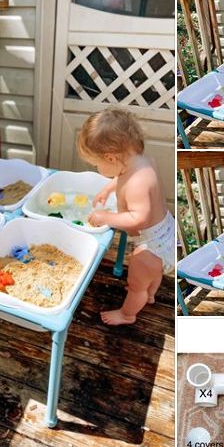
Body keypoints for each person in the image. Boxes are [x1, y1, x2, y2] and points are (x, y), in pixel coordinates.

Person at [77, 107, 175, 325]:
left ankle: (128, 314)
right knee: (152, 274)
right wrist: (109, 188)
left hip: (150, 246)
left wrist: (105, 217)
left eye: (96, 164)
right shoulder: (140, 161)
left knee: (135, 284)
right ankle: (150, 293)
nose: (97, 168)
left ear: (110, 158)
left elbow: (138, 218)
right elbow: (122, 177)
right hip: (164, 232)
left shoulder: (138, 183)